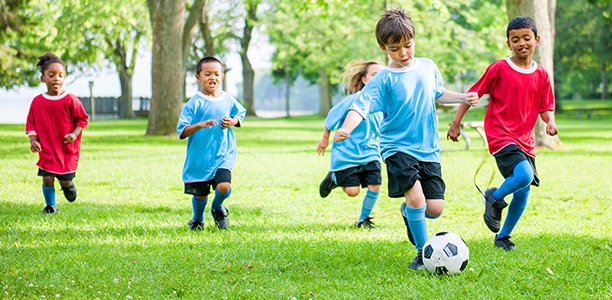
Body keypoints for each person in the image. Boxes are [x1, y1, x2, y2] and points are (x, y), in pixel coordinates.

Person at [334, 8, 479, 270]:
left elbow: (437, 93)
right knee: (417, 199)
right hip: (397, 148)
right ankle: (424, 254)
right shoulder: (383, 79)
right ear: (383, 48)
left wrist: (462, 97)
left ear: (414, 38)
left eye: (408, 46)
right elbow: (361, 107)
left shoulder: (428, 66)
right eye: (394, 48)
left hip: (429, 149)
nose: (403, 53)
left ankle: (409, 214)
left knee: (435, 208)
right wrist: (347, 127)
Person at [447, 16, 558, 252]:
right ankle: (494, 197)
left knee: (523, 191)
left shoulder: (542, 75)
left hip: (525, 140)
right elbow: (472, 94)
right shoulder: (499, 69)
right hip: (501, 136)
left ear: (536, 40)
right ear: (508, 43)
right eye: (515, 39)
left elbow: (545, 106)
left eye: (526, 38)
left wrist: (550, 122)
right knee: (525, 176)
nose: (521, 43)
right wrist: (456, 123)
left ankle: (503, 237)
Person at [177, 56, 246, 230]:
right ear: (198, 77)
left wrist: (233, 121)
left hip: (224, 153)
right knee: (200, 196)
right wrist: (199, 125)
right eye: (207, 74)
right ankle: (198, 219)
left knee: (223, 186)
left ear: (222, 76)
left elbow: (240, 113)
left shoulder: (228, 99)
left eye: (216, 74)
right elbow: (182, 131)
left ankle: (217, 208)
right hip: (200, 157)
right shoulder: (195, 102)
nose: (212, 78)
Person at [317, 61, 384, 229]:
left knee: (375, 185)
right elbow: (331, 118)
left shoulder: (384, 103)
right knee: (353, 192)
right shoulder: (353, 100)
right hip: (347, 153)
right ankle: (333, 178)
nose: (379, 78)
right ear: (364, 79)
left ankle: (363, 219)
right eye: (374, 75)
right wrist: (325, 139)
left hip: (370, 152)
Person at [26, 52, 89, 214]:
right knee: (47, 178)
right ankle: (51, 206)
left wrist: (74, 134)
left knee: (64, 180)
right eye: (51, 75)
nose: (56, 78)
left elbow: (82, 120)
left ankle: (68, 185)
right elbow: (31, 123)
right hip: (46, 149)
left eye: (60, 75)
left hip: (66, 151)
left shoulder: (71, 100)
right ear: (43, 78)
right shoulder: (37, 102)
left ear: (64, 78)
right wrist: (33, 141)